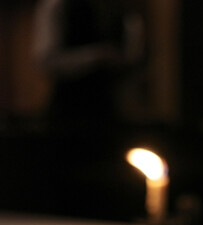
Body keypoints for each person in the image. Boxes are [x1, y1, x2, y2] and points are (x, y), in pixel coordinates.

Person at [33, 0, 145, 130]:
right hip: (70, 107)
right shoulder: (57, 4)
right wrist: (95, 57)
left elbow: (133, 55)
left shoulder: (119, 8)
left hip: (111, 107)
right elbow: (45, 60)